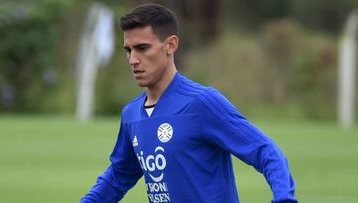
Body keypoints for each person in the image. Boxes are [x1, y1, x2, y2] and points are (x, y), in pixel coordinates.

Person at [81, 3, 297, 203]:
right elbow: (119, 176)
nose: (133, 60)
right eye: (129, 50)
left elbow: (265, 151)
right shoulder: (132, 115)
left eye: (142, 48)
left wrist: (284, 198)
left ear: (170, 45)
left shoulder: (202, 104)